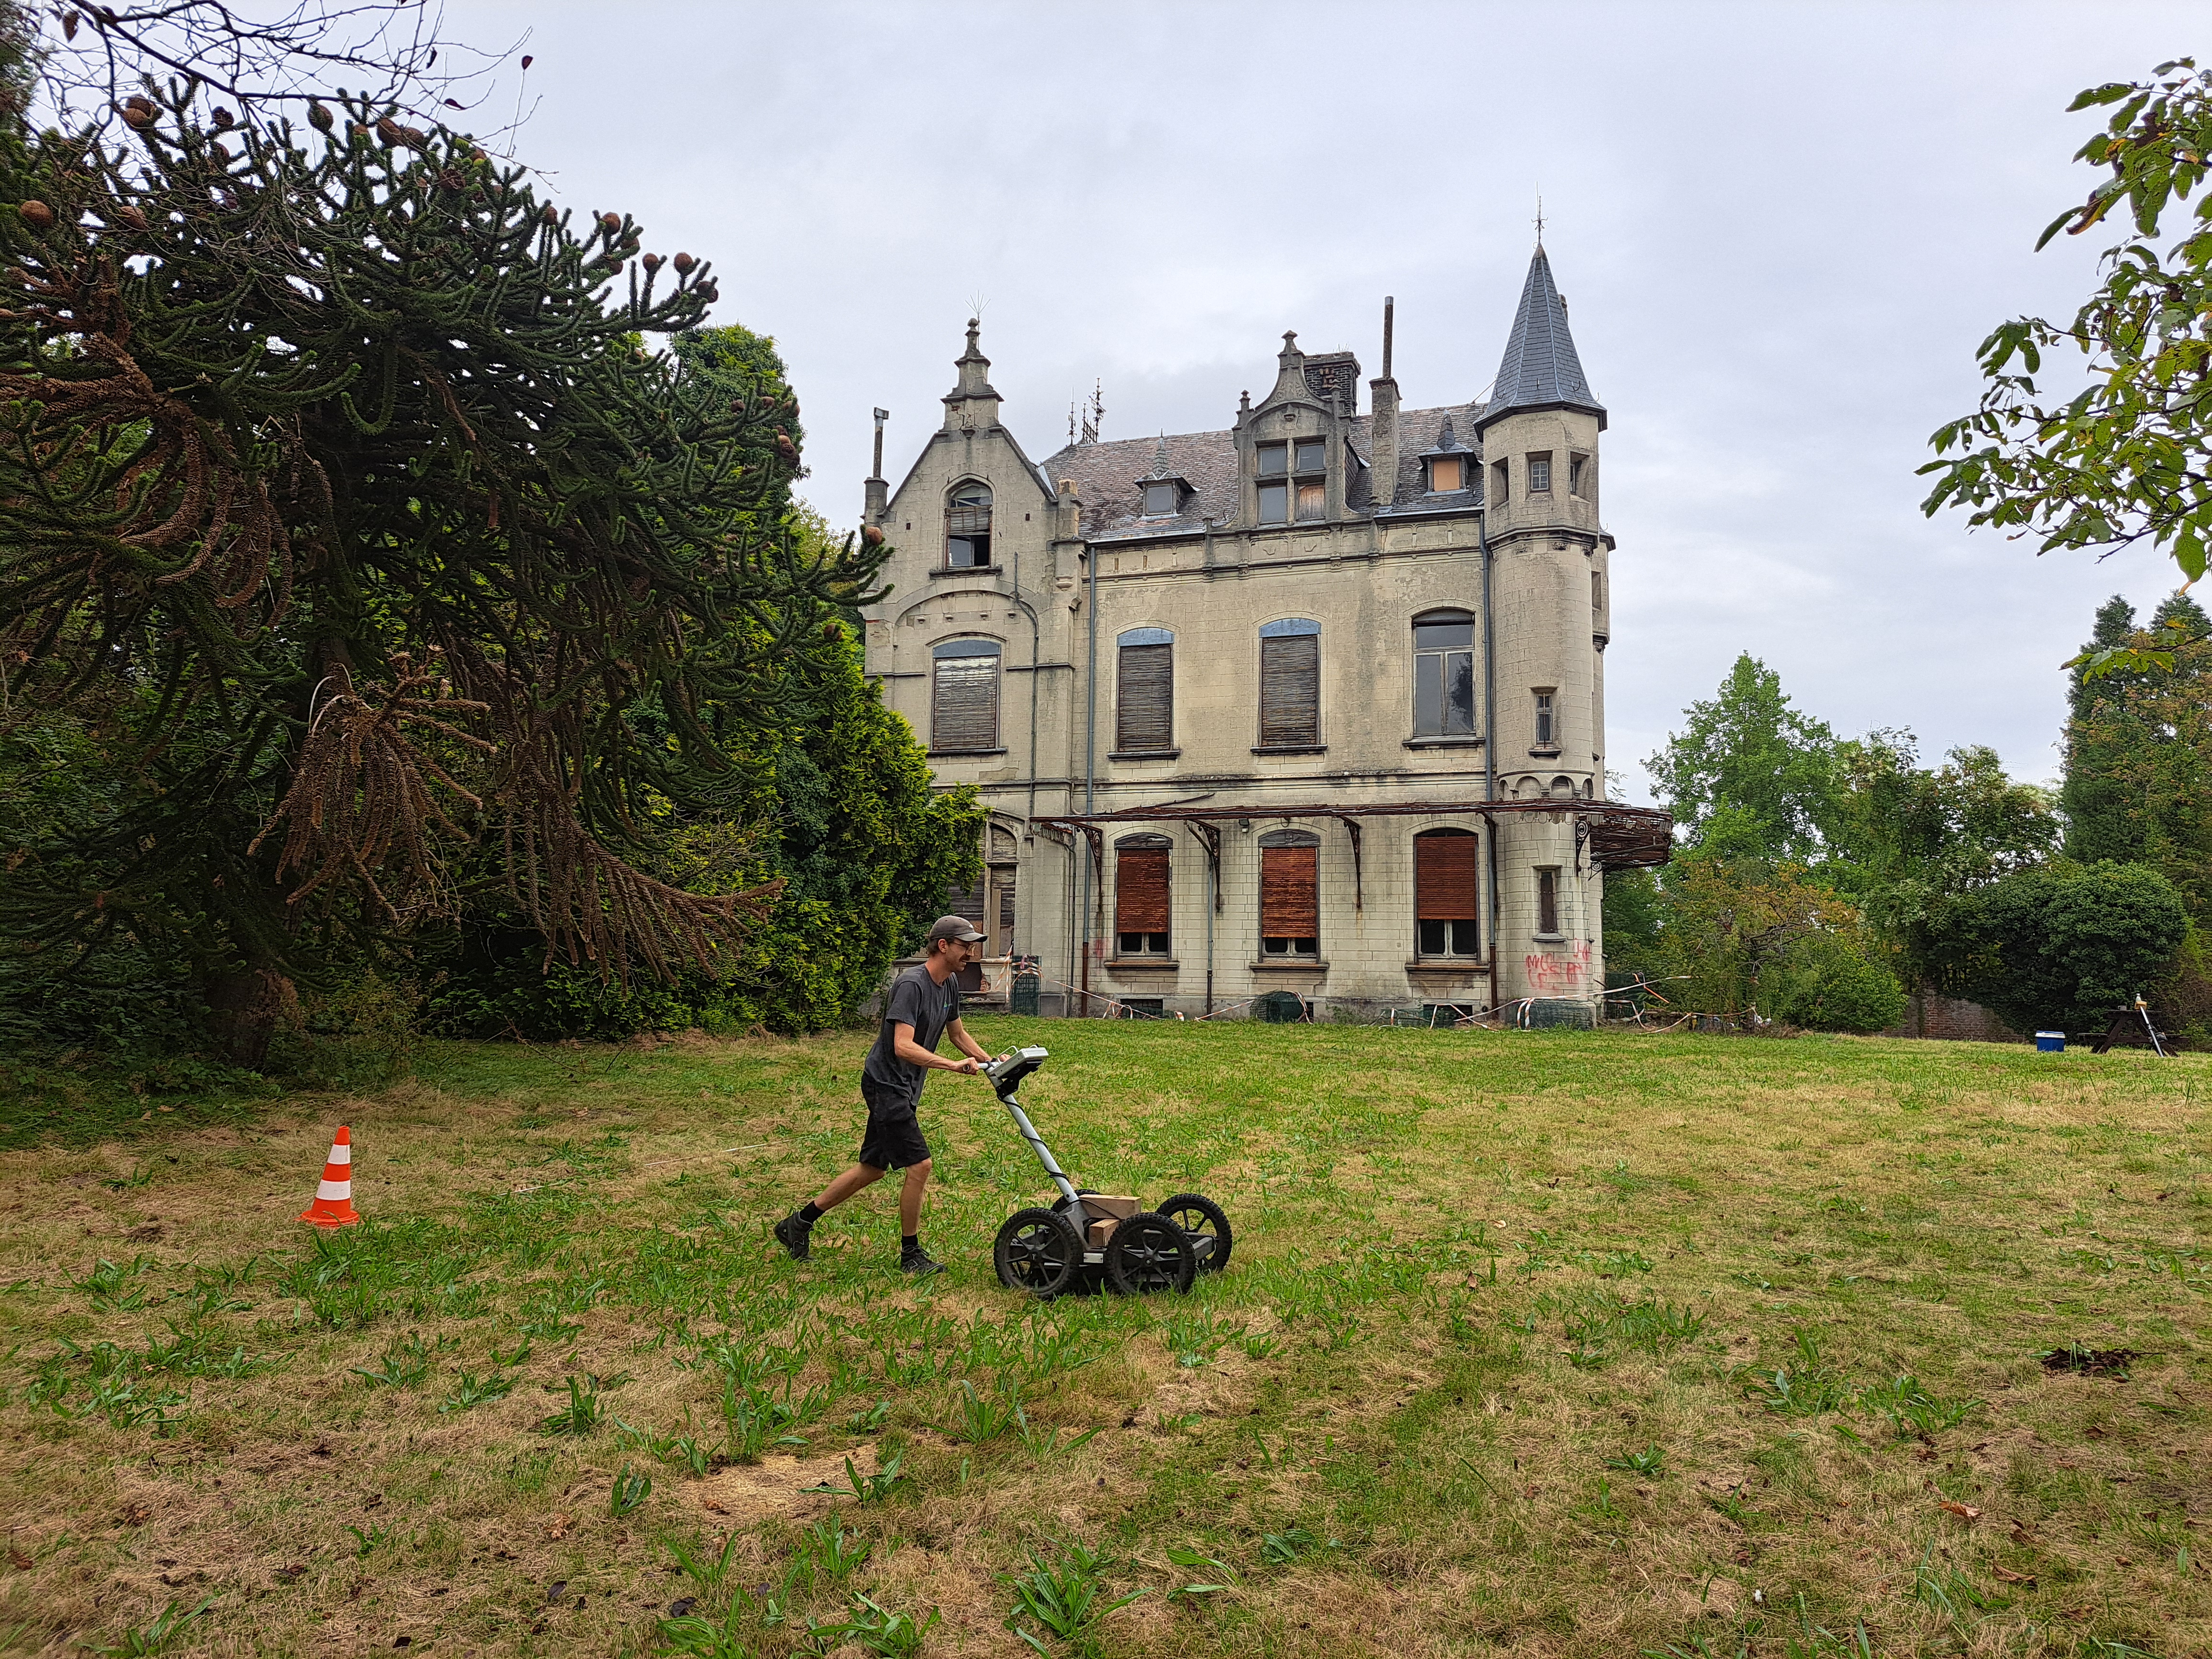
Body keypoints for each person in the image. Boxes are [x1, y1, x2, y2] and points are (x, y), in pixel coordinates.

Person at [773, 915, 995, 1275]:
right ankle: (911, 1256)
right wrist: (952, 1067)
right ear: (943, 946)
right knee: (920, 1165)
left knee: (873, 1169)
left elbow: (958, 1033)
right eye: (964, 944)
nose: (971, 951)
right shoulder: (912, 985)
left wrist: (993, 1062)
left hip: (903, 1086)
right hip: (886, 1084)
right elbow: (903, 1047)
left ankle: (797, 1224)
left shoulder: (950, 983)